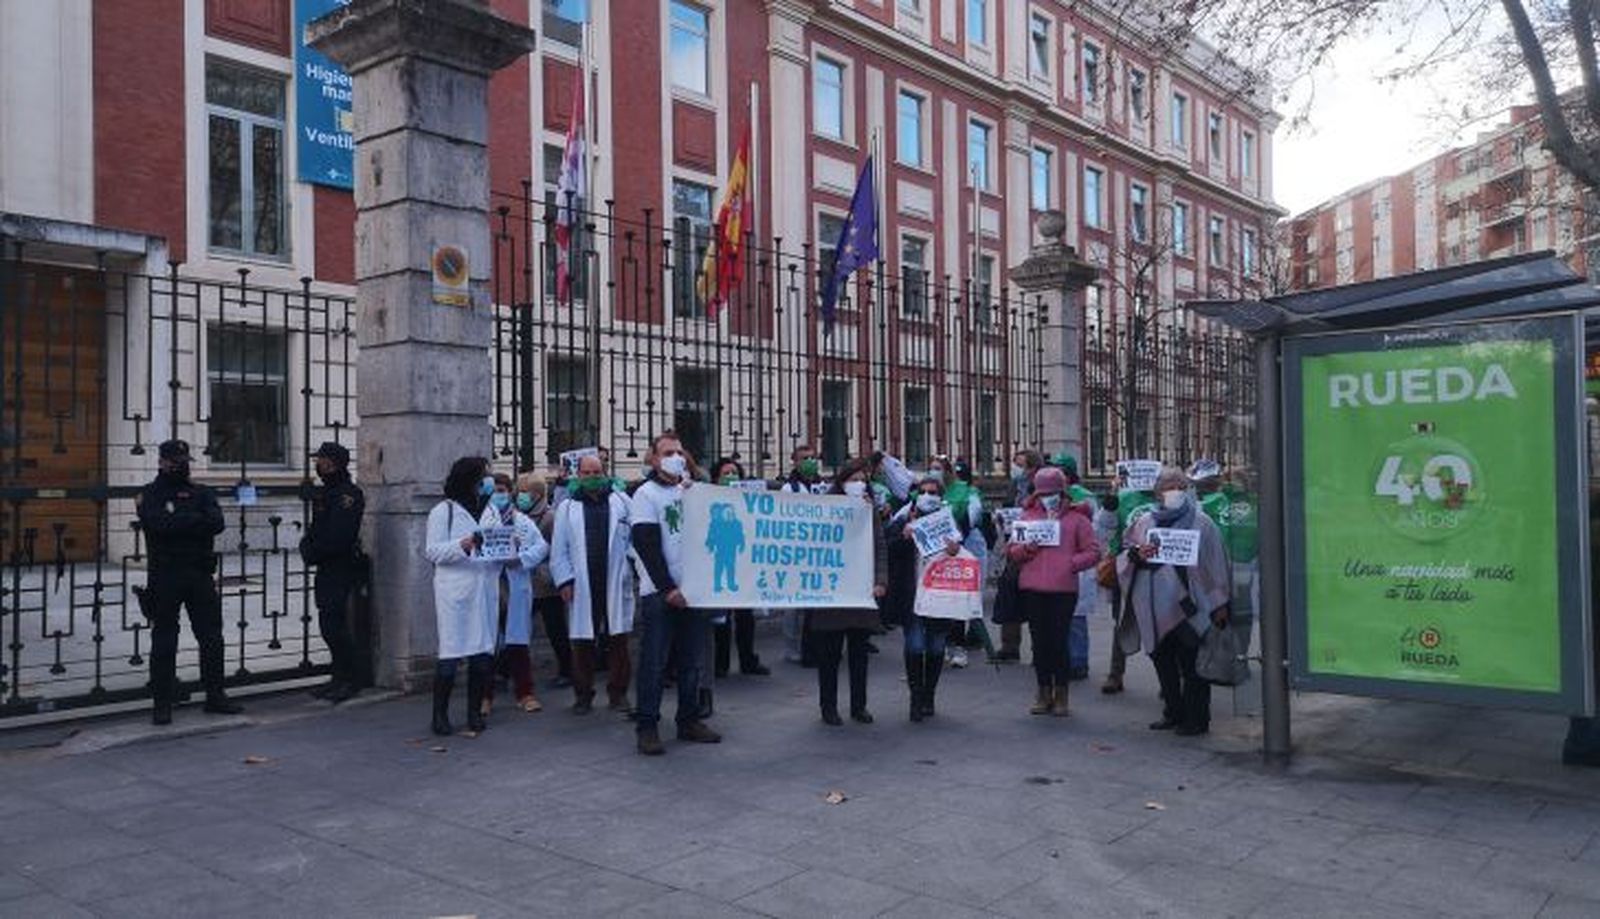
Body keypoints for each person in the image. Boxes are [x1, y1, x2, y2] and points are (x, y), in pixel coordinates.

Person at [1119, 466, 1232, 736]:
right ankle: (1173, 711)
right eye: (1169, 487)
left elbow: (1217, 563)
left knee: (1193, 664)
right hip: (1153, 604)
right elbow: (1125, 552)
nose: (1174, 492)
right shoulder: (1145, 522)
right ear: (1158, 492)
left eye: (1180, 486)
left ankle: (1196, 719)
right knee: (1163, 660)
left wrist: (1220, 603)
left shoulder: (1203, 522)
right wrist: (1136, 555)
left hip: (1191, 604)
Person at [136, 439, 243, 725]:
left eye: (183, 460)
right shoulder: (149, 494)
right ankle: (162, 703)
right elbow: (156, 524)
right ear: (162, 462)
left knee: (211, 637)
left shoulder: (202, 492)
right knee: (164, 640)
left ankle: (215, 696)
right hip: (165, 576)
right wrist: (193, 521)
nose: (180, 465)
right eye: (174, 461)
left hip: (199, 574)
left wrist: (179, 521)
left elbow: (217, 523)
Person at [630, 432, 720, 755]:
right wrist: (668, 588)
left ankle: (689, 719)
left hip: (693, 591)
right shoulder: (646, 494)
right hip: (661, 593)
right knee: (653, 662)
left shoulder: (693, 492)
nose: (675, 457)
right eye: (668, 452)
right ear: (654, 459)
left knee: (692, 660)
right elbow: (646, 544)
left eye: (679, 452)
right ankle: (648, 725)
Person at [1006, 466, 1102, 717]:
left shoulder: (1077, 518)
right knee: (1039, 642)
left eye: (1055, 492)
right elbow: (1012, 552)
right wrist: (1027, 548)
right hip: (1032, 588)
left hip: (1063, 589)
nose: (1049, 497)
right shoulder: (1027, 517)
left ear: (1063, 492)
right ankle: (1042, 690)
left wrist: (1070, 564)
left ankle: (1061, 692)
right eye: (1044, 493)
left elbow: (1094, 552)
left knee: (1059, 642)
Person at [423, 457, 502, 736]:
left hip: (484, 587)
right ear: (469, 479)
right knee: (451, 655)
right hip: (455, 590)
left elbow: (497, 544)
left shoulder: (491, 509)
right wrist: (462, 545)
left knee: (482, 657)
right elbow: (432, 551)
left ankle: (474, 713)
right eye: (484, 475)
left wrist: (508, 546)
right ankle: (440, 716)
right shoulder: (443, 511)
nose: (488, 480)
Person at [550, 453, 635, 715]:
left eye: (596, 472)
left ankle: (618, 694)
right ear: (578, 475)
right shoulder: (566, 507)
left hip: (614, 579)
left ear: (604, 472)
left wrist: (632, 566)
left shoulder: (622, 501)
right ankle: (583, 695)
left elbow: (636, 538)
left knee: (618, 640)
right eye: (586, 473)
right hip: (582, 584)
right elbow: (559, 549)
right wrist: (564, 580)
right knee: (582, 642)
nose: (591, 477)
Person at [809, 458, 889, 725]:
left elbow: (879, 547)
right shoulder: (825, 509)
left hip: (860, 591)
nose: (858, 484)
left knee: (859, 654)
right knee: (829, 656)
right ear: (841, 483)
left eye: (862, 480)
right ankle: (828, 707)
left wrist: (880, 580)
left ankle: (859, 705)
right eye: (853, 480)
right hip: (832, 592)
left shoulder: (869, 510)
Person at [887, 475, 962, 722]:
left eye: (933, 492)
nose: (929, 496)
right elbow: (888, 548)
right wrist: (904, 537)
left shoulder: (949, 523)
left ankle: (929, 695)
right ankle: (915, 698)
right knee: (916, 645)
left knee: (936, 647)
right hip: (913, 596)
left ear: (940, 497)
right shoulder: (904, 519)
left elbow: (963, 557)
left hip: (941, 597)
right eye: (924, 491)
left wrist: (955, 550)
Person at [299, 441, 366, 704]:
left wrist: (314, 551)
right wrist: (307, 546)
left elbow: (340, 536)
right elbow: (316, 530)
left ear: (334, 463)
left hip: (340, 566)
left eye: (322, 461)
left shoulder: (348, 495)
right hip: (326, 566)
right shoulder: (326, 493)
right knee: (328, 624)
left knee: (335, 626)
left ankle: (351, 679)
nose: (318, 465)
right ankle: (338, 677)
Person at [479, 473, 550, 716]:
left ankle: (525, 693)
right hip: (491, 584)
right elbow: (472, 547)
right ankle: (484, 696)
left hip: (516, 584)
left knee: (518, 642)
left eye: (503, 490)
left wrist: (521, 557)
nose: (499, 494)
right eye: (495, 490)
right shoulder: (481, 518)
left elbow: (541, 547)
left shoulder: (523, 521)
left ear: (510, 491)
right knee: (488, 644)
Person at [709, 457, 770, 678]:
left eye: (734, 472)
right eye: (725, 473)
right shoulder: (709, 500)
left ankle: (748, 659)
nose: (730, 477)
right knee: (720, 618)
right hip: (719, 561)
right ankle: (720, 663)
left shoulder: (747, 500)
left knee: (745, 616)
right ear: (716, 478)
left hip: (744, 564)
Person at [1103, 470, 1158, 695]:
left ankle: (1170, 679)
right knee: (1121, 620)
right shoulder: (1125, 497)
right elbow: (1105, 523)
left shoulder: (1165, 501)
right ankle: (1115, 675)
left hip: (1157, 569)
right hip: (1126, 566)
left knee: (1160, 622)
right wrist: (1113, 493)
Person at [1048, 453, 1097, 682]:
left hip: (1077, 562)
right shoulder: (1048, 497)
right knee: (1055, 616)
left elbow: (1093, 530)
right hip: (1052, 563)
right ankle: (1058, 659)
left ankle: (1078, 661)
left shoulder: (1085, 498)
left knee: (1076, 617)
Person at [521, 472, 571, 692]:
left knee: (556, 629)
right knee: (517, 627)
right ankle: (504, 669)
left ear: (537, 493)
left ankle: (567, 670)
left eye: (524, 491)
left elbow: (557, 547)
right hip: (528, 582)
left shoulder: (549, 517)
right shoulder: (522, 515)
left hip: (546, 583)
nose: (519, 496)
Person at [996, 449, 1045, 661]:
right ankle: (1009, 645)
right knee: (1009, 592)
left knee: (1036, 598)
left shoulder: (1045, 486)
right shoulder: (1015, 485)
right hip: (1015, 542)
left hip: (1037, 547)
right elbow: (1008, 507)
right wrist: (1003, 519)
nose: (1018, 470)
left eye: (1022, 465)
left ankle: (1040, 649)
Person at [779, 445, 826, 666]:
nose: (810, 461)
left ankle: (811, 646)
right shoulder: (790, 489)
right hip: (797, 552)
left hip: (818, 552)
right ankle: (791, 647)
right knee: (794, 605)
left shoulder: (823, 486)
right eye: (805, 458)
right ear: (795, 462)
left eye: (813, 457)